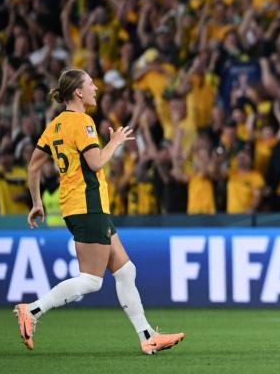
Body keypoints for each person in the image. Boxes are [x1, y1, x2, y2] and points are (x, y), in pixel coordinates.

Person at [16, 68, 184, 354]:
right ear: (78, 92)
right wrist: (115, 143)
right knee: (92, 281)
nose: (95, 88)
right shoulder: (83, 122)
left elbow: (33, 165)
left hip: (80, 205)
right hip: (87, 204)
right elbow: (95, 163)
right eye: (91, 84)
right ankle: (32, 310)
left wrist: (36, 202)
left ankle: (147, 338)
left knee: (126, 271)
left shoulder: (56, 124)